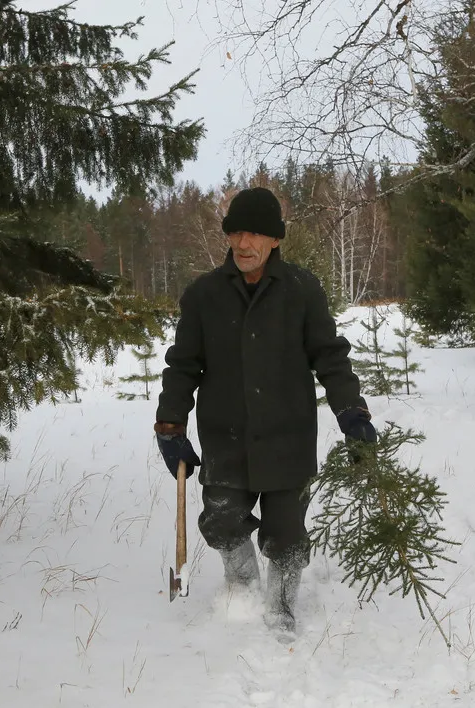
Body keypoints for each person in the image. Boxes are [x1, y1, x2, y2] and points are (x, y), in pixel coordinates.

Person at [153, 186, 376, 634]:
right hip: (225, 437)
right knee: (220, 517)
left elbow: (330, 357)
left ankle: (280, 603)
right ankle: (242, 586)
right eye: (235, 232)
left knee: (286, 533)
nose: (243, 243)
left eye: (254, 233)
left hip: (287, 438)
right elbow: (183, 365)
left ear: (275, 239)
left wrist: (353, 414)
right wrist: (171, 423)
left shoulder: (301, 290)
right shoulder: (203, 295)